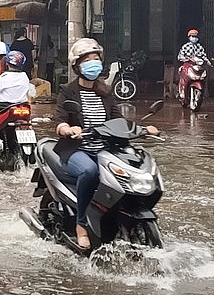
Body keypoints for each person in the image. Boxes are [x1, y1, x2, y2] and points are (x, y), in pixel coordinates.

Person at [54, 38, 159, 249]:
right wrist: (68, 129)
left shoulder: (106, 91)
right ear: (77, 65)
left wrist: (143, 129)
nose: (93, 63)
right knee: (90, 172)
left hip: (106, 148)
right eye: (88, 60)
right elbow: (60, 119)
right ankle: (81, 224)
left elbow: (118, 120)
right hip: (77, 148)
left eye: (96, 59)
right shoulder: (67, 90)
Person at [176, 28, 210, 101]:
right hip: (188, 65)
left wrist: (207, 60)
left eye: (196, 36)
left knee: (203, 77)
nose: (194, 38)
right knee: (185, 77)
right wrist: (185, 59)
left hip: (197, 66)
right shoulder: (185, 46)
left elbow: (203, 55)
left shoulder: (199, 47)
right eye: (192, 36)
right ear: (189, 37)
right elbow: (180, 56)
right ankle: (182, 92)